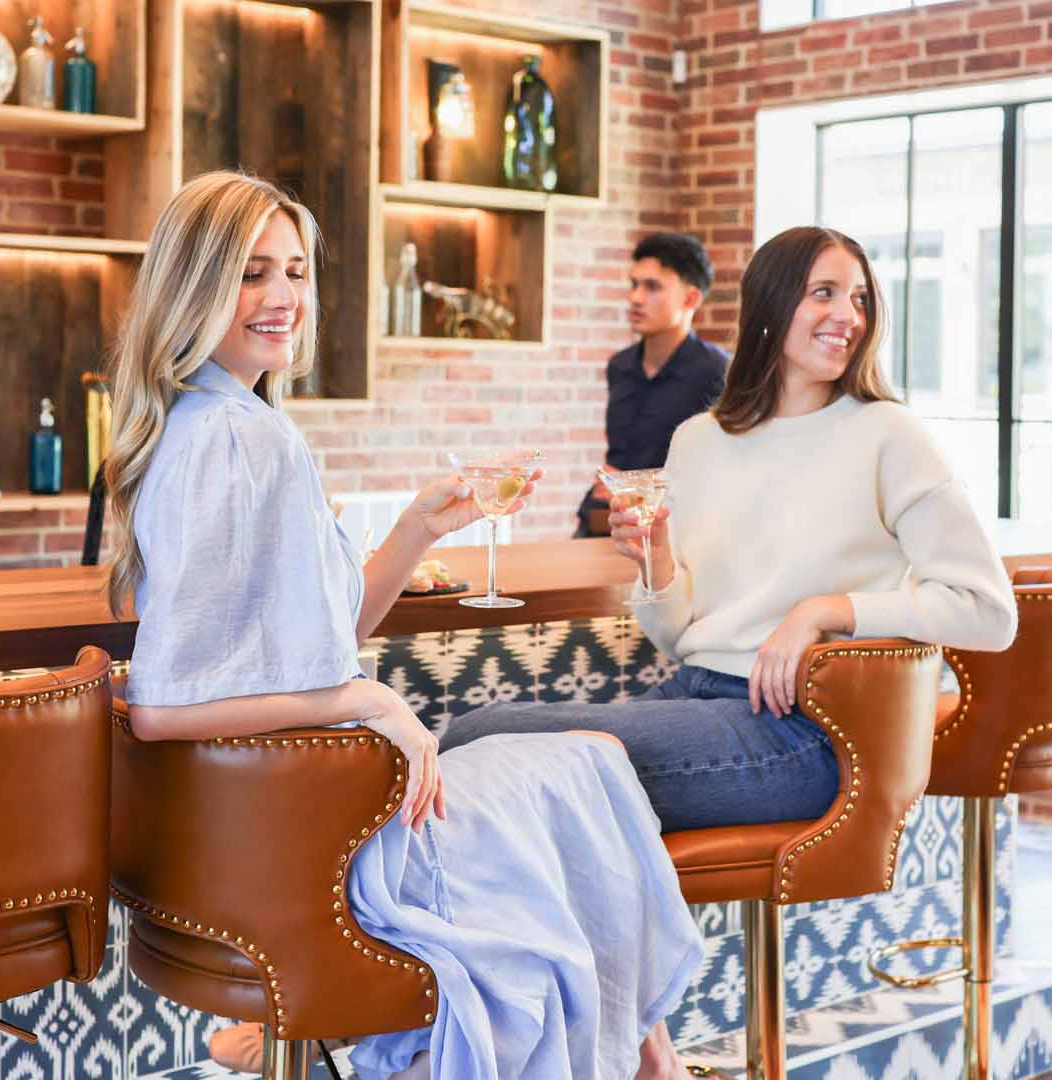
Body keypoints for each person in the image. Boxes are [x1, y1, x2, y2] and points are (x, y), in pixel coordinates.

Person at [105, 172, 705, 1080]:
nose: (283, 297)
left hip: (275, 824)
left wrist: (419, 528)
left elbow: (322, 634)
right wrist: (369, 701)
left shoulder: (217, 420)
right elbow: (163, 708)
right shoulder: (241, 439)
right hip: (317, 842)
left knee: (584, 768)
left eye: (295, 272)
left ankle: (644, 1066)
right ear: (193, 286)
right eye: (251, 273)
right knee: (589, 772)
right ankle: (640, 1066)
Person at [446, 226, 1019, 834]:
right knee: (481, 748)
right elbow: (678, 639)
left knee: (486, 737)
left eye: (860, 298)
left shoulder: (890, 435)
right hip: (693, 693)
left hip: (803, 729)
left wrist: (825, 611)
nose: (848, 316)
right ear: (771, 303)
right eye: (823, 292)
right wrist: (656, 561)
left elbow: (988, 611)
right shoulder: (699, 441)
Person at [576, 233, 728, 537]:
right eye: (634, 284)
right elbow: (618, 461)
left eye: (652, 287)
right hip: (605, 523)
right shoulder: (619, 366)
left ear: (691, 299)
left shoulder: (719, 371)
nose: (636, 297)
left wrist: (634, 489)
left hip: (674, 532)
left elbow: (721, 473)